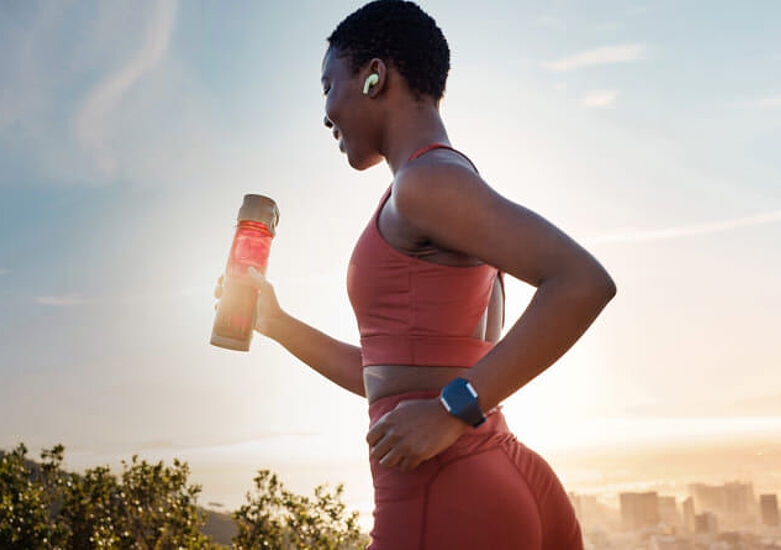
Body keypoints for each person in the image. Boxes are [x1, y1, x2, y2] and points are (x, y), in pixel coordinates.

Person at [216, 1, 615, 547]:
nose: (325, 111)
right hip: (493, 474)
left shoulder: (425, 184)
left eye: (328, 84)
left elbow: (582, 282)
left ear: (375, 76)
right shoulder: (439, 182)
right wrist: (278, 323)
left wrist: (450, 412)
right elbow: (392, 377)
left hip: (447, 488)